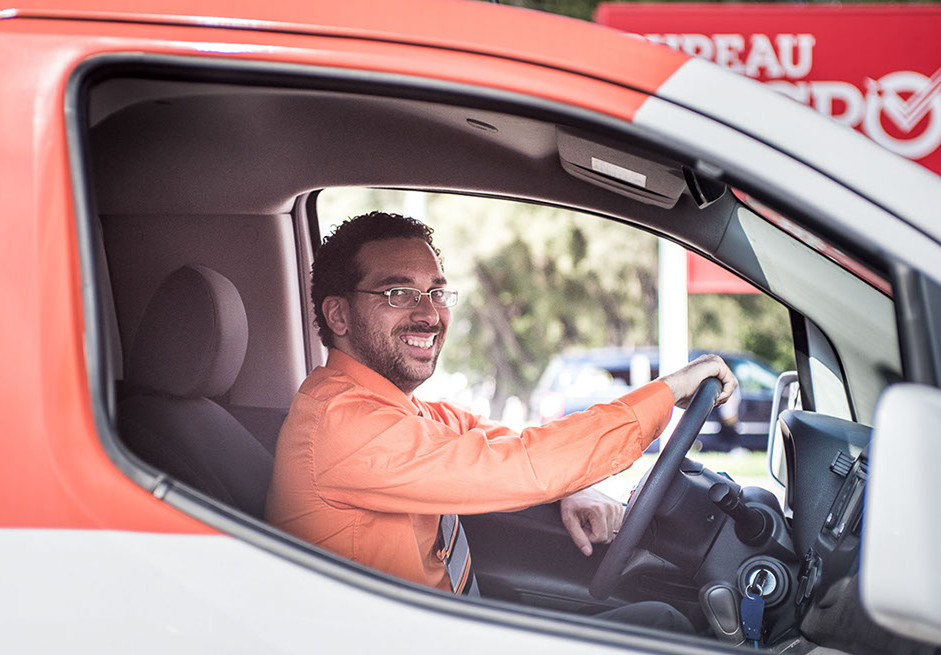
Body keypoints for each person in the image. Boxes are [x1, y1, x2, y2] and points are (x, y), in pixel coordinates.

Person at [265, 212, 737, 630]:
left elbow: (498, 442)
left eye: (436, 292)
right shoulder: (341, 423)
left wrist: (568, 486)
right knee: (665, 631)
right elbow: (518, 466)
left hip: (446, 629)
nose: (429, 314)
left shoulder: (398, 411)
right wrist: (667, 392)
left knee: (659, 622)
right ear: (339, 315)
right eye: (399, 293)